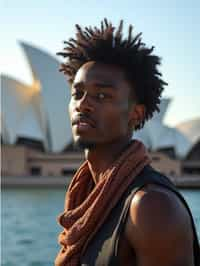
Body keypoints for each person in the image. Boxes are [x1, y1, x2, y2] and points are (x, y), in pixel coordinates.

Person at [55, 19, 199, 266]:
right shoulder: (87, 195)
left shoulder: (151, 208)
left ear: (136, 114)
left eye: (102, 95)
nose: (83, 104)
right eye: (77, 94)